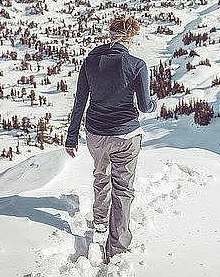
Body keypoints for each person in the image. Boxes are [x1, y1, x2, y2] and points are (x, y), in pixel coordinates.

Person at [65, 16, 156, 263]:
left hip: (95, 133)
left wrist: (71, 137)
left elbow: (80, 101)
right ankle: (117, 247)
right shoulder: (137, 64)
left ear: (110, 34)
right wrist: (155, 102)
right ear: (131, 37)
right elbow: (146, 106)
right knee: (123, 189)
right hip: (126, 135)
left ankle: (100, 222)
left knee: (100, 175)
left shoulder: (90, 61)